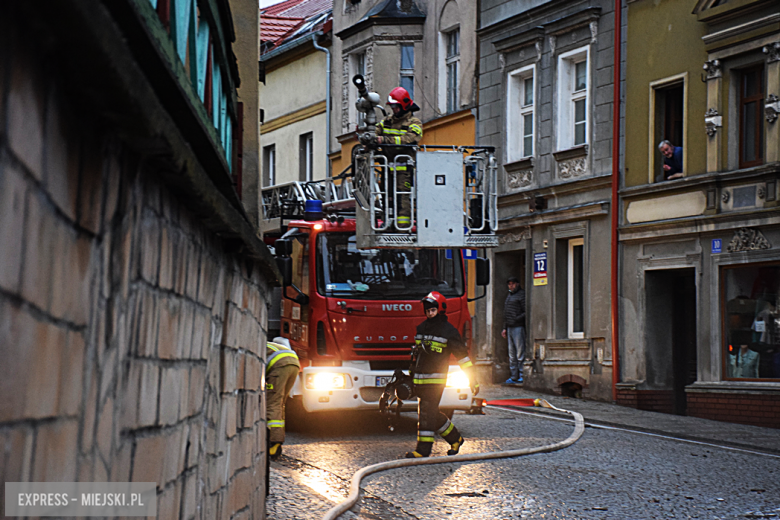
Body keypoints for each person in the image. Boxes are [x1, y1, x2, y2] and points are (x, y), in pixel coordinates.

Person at [405, 291, 478, 458]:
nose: (430, 313)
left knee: (426, 412)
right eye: (427, 310)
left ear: (441, 309)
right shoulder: (421, 328)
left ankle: (423, 450)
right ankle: (456, 439)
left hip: (436, 380)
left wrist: (472, 379)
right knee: (430, 413)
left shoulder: (449, 331)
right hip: (420, 379)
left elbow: (463, 357)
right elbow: (417, 356)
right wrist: (410, 374)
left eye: (433, 310)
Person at [375, 87, 423, 230]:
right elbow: (375, 131)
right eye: (392, 106)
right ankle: (387, 224)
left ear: (404, 105)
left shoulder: (415, 123)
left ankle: (402, 227)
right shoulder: (386, 122)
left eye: (396, 106)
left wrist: (383, 140)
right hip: (386, 168)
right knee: (386, 197)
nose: (394, 109)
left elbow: (407, 139)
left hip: (403, 170)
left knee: (402, 199)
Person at [266, 338, 300, 460]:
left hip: (280, 364)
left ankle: (273, 443)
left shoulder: (253, 348)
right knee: (280, 403)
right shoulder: (266, 345)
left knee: (272, 403)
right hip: (294, 363)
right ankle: (277, 439)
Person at [502, 276, 526, 385]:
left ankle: (521, 374)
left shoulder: (521, 295)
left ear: (517, 284)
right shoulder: (509, 296)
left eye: (513, 284)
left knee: (520, 352)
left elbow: (526, 311)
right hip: (510, 327)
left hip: (518, 327)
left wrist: (516, 319)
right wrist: (504, 327)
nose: (511, 286)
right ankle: (513, 376)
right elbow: (506, 313)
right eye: (509, 284)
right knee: (512, 353)